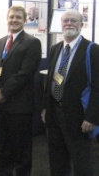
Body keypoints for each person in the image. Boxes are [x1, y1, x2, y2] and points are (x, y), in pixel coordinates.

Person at [42, 9, 99, 176]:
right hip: (55, 113)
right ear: (61, 24)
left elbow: (97, 87)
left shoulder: (92, 50)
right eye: (65, 20)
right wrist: (46, 108)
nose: (69, 23)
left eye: (73, 20)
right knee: (57, 161)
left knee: (82, 162)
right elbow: (51, 82)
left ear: (81, 25)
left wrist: (91, 117)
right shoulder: (55, 49)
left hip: (79, 117)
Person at [0, 5, 42, 176]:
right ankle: (3, 172)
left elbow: (25, 73)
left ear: (25, 20)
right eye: (11, 17)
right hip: (0, 105)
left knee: (21, 147)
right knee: (3, 144)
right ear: (7, 19)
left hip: (20, 106)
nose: (14, 20)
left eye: (18, 17)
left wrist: (3, 92)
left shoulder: (32, 43)